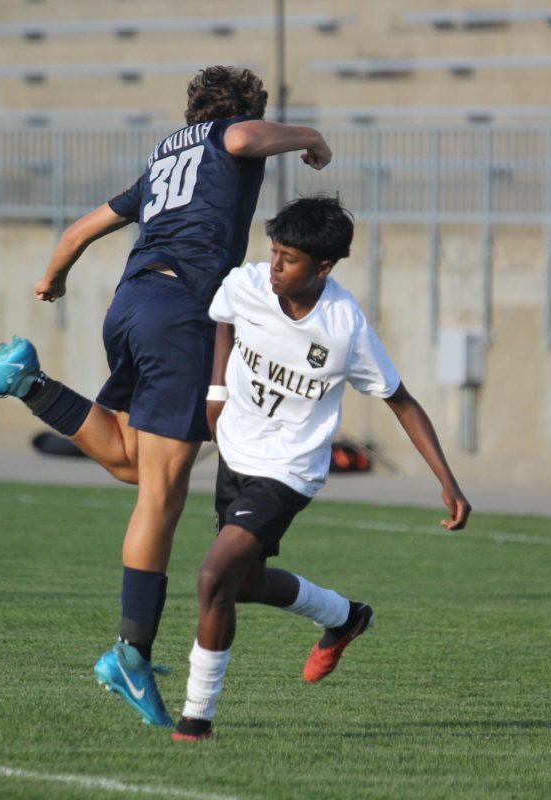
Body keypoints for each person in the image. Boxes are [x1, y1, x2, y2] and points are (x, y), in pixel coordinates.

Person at [0, 66, 333, 727]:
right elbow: (241, 141)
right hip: (180, 314)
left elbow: (78, 231)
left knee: (131, 464)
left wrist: (52, 279)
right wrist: (310, 136)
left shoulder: (163, 161)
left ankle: (24, 380)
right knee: (161, 494)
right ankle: (131, 651)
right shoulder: (228, 138)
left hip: (133, 303)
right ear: (241, 111)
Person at [171, 196, 471, 742]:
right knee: (240, 585)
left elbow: (401, 400)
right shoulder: (249, 284)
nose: (276, 266)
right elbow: (223, 318)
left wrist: (447, 481)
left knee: (213, 577)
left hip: (287, 470)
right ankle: (343, 616)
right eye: (275, 252)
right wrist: (217, 391)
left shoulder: (344, 327)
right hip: (236, 451)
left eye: (289, 258)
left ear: (324, 267)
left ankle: (196, 719)